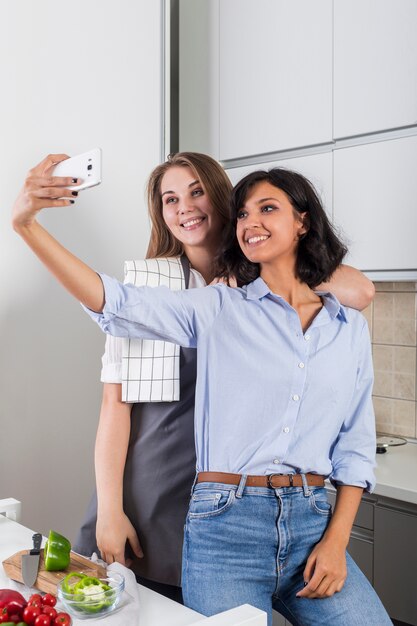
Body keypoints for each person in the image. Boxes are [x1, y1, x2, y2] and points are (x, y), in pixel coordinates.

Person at [11, 157, 387, 625]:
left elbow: (355, 443)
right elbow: (113, 302)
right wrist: (25, 225)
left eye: (267, 209)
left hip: (312, 519)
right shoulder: (217, 306)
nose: (252, 222)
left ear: (303, 220)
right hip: (217, 518)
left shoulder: (344, 322)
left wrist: (336, 540)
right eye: (245, 213)